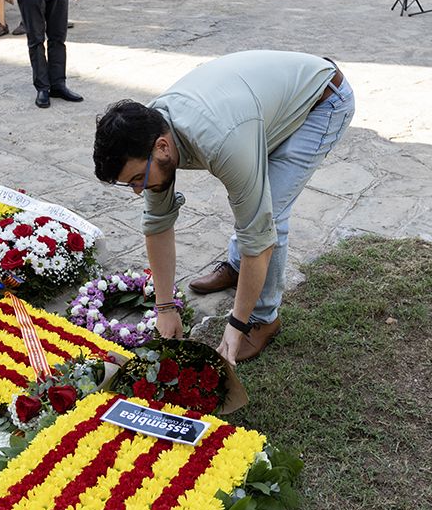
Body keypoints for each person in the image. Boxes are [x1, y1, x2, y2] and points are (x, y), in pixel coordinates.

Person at [92, 51, 355, 364]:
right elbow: (157, 223)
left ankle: (263, 319)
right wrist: (164, 307)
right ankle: (236, 268)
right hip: (252, 110)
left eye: (138, 178)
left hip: (322, 101)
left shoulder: (221, 143)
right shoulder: (151, 133)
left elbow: (258, 238)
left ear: (162, 147)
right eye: (130, 184)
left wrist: (235, 325)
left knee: (270, 213)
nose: (138, 191)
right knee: (253, 197)